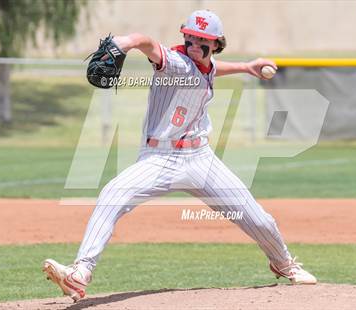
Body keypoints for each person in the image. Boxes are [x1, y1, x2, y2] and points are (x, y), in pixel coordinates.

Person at [43, 9, 317, 302]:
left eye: (203, 41)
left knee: (259, 219)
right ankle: (81, 271)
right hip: (158, 158)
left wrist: (247, 67)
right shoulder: (174, 62)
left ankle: (284, 264)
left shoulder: (205, 64)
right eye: (190, 38)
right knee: (112, 194)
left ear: (216, 44)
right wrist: (128, 41)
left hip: (200, 159)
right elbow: (148, 43)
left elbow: (210, 68)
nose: (195, 46)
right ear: (183, 37)